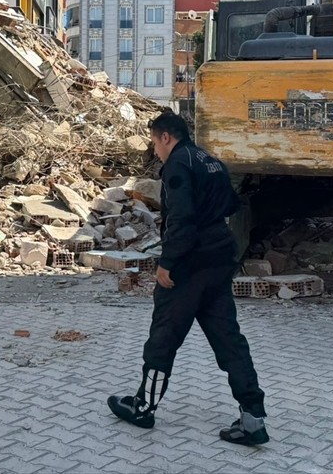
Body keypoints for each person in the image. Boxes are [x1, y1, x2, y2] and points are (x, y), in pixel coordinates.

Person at [107, 111, 269, 445]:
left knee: (163, 335)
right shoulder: (208, 159)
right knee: (228, 339)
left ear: (165, 136)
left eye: (155, 142)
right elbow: (231, 204)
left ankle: (143, 407)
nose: (155, 150)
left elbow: (181, 219)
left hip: (189, 264)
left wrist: (167, 263)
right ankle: (253, 418)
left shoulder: (178, 164)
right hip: (219, 256)